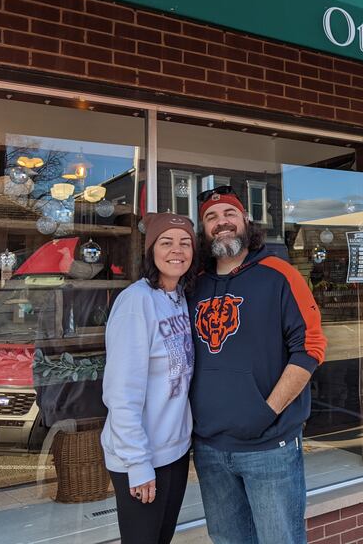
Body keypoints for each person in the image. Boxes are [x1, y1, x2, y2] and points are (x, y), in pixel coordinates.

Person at [189, 186, 326, 544]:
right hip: (209, 447)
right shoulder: (194, 285)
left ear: (246, 221)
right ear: (203, 231)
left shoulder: (278, 274)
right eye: (211, 218)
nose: (222, 223)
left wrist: (268, 411)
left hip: (270, 446)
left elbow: (310, 347)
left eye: (229, 214)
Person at [101, 213, 198, 544]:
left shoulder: (181, 298)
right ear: (151, 250)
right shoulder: (136, 302)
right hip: (140, 456)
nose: (177, 250)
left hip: (174, 452)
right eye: (166, 242)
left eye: (185, 243)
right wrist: (138, 464)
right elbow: (121, 393)